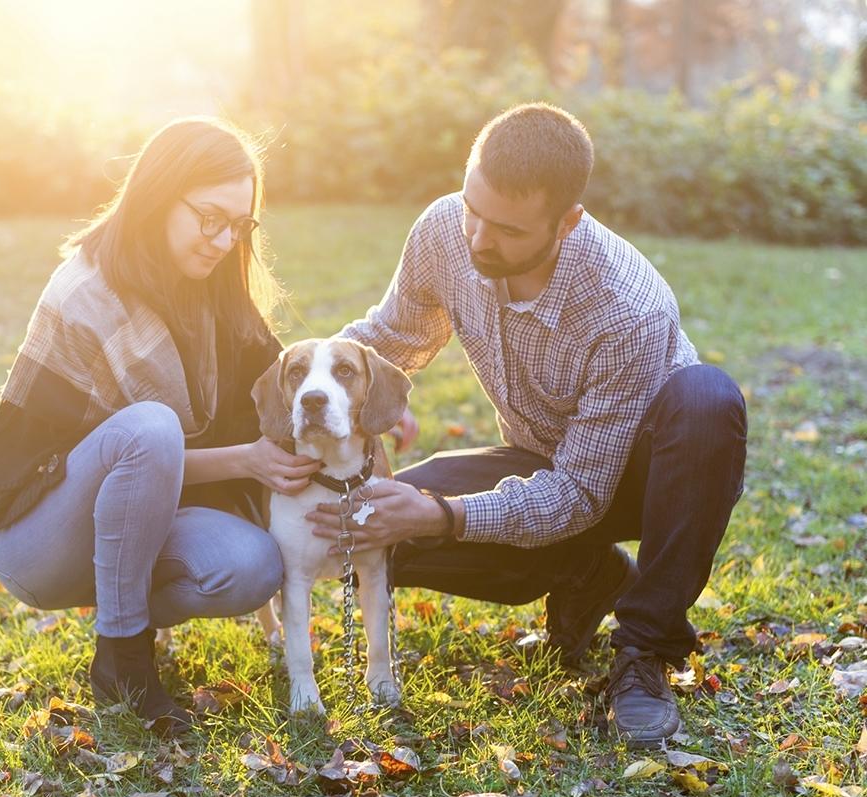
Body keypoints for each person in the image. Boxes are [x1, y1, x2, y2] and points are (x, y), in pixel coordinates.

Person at [307, 103, 747, 748]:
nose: (480, 239)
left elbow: (581, 495)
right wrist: (311, 396)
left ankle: (645, 651)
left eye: (508, 229)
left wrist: (439, 512)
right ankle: (585, 571)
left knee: (708, 397)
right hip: (543, 459)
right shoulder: (444, 232)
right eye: (472, 209)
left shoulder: (626, 307)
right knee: (375, 524)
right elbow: (392, 338)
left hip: (645, 479)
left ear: (567, 221)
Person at [0, 117, 321, 736]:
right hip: (39, 537)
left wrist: (364, 402)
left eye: (239, 227)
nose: (222, 240)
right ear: (161, 194)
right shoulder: (89, 293)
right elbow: (136, 454)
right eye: (209, 217)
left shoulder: (213, 287)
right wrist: (244, 460)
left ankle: (123, 607)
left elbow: (279, 383)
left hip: (134, 526)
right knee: (153, 429)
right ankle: (123, 658)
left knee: (252, 566)